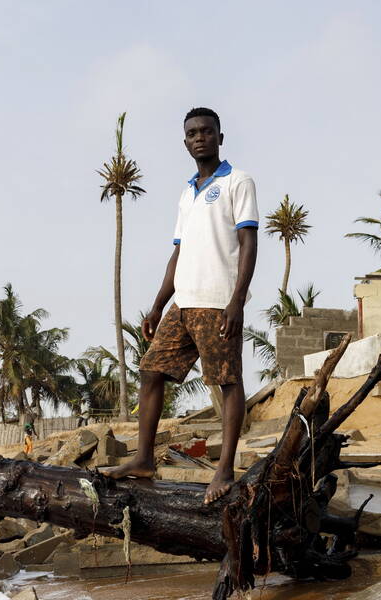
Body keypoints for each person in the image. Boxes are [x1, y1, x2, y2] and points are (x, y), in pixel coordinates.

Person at [103, 106, 258, 504]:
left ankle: (224, 470)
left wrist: (237, 300)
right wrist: (157, 306)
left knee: (227, 381)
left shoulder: (238, 182)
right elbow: (179, 252)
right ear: (185, 142)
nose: (200, 137)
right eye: (192, 133)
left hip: (217, 301)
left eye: (207, 131)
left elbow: (248, 242)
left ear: (220, 137)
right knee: (151, 371)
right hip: (183, 303)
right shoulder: (187, 192)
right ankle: (142, 459)